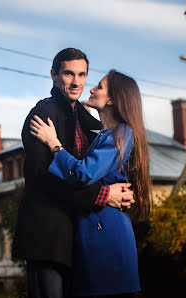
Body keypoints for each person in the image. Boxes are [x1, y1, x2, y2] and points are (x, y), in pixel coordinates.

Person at [12, 48, 135, 298]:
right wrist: (103, 195)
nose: (77, 82)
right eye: (69, 73)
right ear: (54, 76)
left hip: (79, 239)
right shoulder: (42, 114)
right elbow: (45, 178)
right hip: (47, 237)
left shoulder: (89, 119)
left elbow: (105, 165)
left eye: (82, 74)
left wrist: (125, 191)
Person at [30, 69, 152, 297]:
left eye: (99, 86)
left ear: (113, 99)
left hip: (106, 232)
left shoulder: (123, 133)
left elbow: (83, 174)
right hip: (93, 227)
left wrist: (54, 145)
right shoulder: (103, 135)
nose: (92, 89)